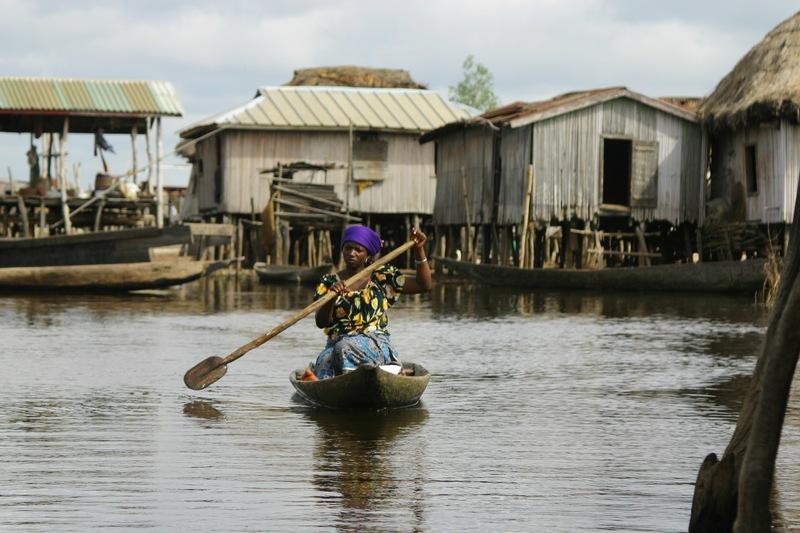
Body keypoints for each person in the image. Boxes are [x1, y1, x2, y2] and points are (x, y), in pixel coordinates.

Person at [302, 225, 431, 380]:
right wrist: (331, 298)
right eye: (347, 248)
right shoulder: (329, 282)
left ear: (368, 254)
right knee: (324, 361)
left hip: (373, 343)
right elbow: (321, 322)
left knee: (344, 349)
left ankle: (383, 369)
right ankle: (351, 380)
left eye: (358, 250)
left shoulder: (381, 278)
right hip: (336, 343)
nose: (351, 253)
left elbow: (423, 285)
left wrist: (419, 250)